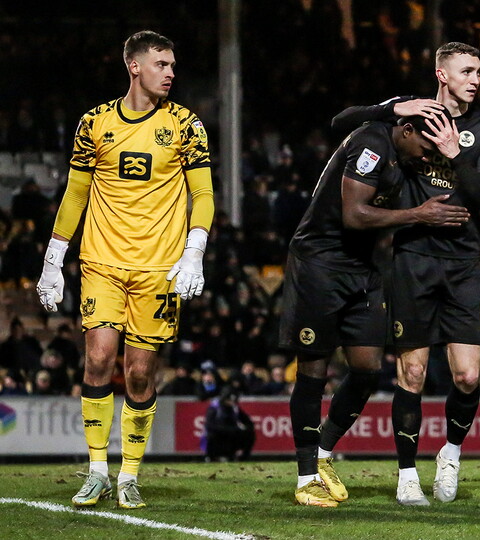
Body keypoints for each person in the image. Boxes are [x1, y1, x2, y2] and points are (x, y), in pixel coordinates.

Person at [35, 30, 213, 509]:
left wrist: (194, 251)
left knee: (138, 373)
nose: (170, 73)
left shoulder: (186, 125)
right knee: (97, 359)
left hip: (159, 268)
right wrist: (53, 260)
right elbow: (75, 193)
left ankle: (129, 474)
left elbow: (203, 194)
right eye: (161, 64)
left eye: (172, 65)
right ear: (134, 66)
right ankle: (97, 471)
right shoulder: (94, 123)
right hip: (102, 262)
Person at [331, 42, 480, 506]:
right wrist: (390, 107)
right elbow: (340, 123)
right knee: (412, 372)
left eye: (479, 72)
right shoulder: (410, 112)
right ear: (442, 75)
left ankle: (451, 453)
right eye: (466, 71)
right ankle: (407, 475)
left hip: (464, 262)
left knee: (467, 377)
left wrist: (455, 154)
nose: (476, 79)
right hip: (412, 258)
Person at [280, 109, 469, 508]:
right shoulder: (372, 143)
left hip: (364, 269)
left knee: (367, 369)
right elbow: (354, 214)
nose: (427, 155)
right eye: (425, 145)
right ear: (406, 129)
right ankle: (306, 476)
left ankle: (323, 453)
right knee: (313, 371)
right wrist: (418, 214)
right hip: (320, 263)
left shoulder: (406, 156)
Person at [204, 388, 255, 462]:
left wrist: (245, 429)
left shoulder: (235, 408)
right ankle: (212, 457)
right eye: (229, 400)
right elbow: (210, 426)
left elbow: (248, 422)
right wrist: (228, 429)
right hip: (218, 435)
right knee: (211, 436)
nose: (231, 402)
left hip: (231, 435)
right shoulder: (215, 407)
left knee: (249, 434)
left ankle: (242, 458)